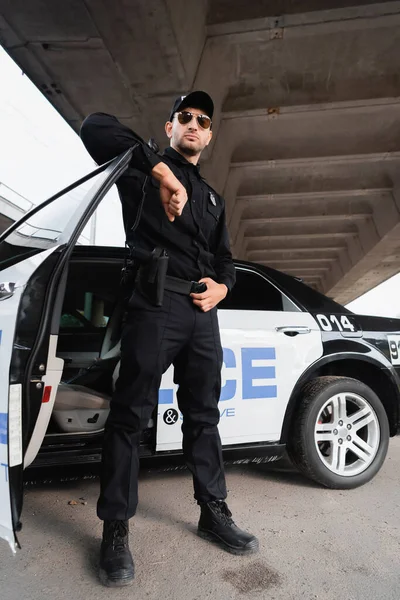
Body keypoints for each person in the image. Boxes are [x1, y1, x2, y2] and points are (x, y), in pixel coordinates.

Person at [80, 91, 259, 588]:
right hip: (154, 303)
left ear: (210, 133)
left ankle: (212, 509)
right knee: (130, 414)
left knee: (203, 414)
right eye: (186, 117)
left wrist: (224, 286)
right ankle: (115, 528)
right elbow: (95, 122)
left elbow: (226, 260)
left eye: (203, 120)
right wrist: (162, 175)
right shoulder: (142, 170)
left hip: (203, 313)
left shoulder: (215, 198)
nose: (195, 125)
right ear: (170, 127)